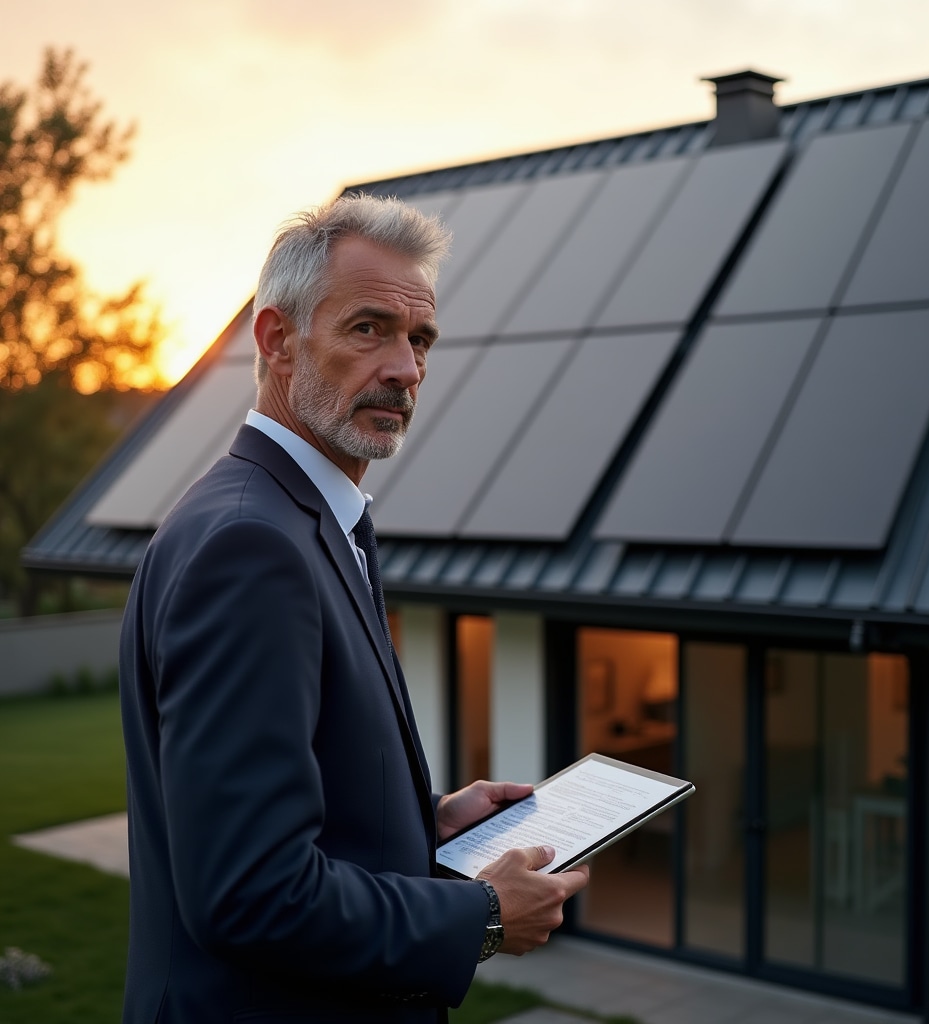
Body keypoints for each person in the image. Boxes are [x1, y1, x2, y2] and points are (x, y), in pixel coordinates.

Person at [118, 193, 589, 1024]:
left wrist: (427, 828)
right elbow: (250, 894)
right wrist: (479, 917)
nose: (406, 369)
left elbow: (289, 821)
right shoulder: (250, 547)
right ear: (277, 341)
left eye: (421, 340)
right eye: (369, 329)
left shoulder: (302, 523)